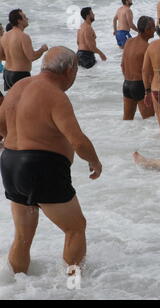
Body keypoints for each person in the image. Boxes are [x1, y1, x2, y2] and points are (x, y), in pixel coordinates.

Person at [0, 47, 102, 274]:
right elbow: (78, 141)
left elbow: (1, 125)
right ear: (69, 70)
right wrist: (95, 161)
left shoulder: (18, 87)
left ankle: (18, 290)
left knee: (23, 237)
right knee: (75, 229)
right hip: (42, 168)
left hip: (11, 164)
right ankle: (72, 289)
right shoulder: (55, 95)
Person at [0, 9, 48, 92]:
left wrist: (14, 58)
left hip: (7, 73)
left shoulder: (4, 36)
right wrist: (42, 49)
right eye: (25, 17)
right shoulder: (23, 36)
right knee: (24, 102)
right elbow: (32, 57)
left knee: (13, 100)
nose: (27, 19)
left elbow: (1, 56)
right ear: (19, 21)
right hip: (20, 74)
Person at [121, 16, 156, 120]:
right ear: (147, 30)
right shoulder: (147, 47)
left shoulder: (128, 42)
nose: (155, 30)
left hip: (127, 84)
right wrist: (149, 90)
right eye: (153, 28)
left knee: (127, 120)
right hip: (141, 85)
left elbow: (122, 65)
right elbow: (150, 71)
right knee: (149, 121)